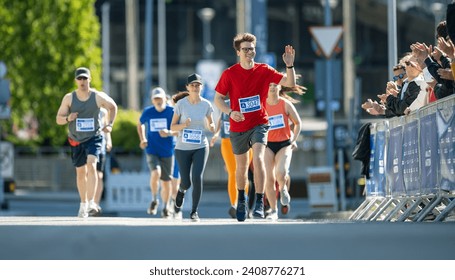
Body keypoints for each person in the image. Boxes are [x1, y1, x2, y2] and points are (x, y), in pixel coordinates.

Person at [214, 32, 296, 221]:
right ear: (238, 52)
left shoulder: (264, 70)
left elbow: (290, 83)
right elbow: (218, 99)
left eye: (252, 49)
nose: (249, 52)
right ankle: (241, 199)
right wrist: (229, 111)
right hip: (238, 125)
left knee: (258, 159)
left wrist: (289, 65)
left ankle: (259, 202)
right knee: (241, 168)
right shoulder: (230, 73)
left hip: (260, 123)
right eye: (245, 49)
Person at [56, 67, 117, 218]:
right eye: (79, 78)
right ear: (76, 81)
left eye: (85, 78)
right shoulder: (69, 98)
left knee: (92, 165)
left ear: (89, 80)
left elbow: (113, 107)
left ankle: (91, 202)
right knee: (80, 172)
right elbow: (58, 119)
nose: (82, 81)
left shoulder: (97, 96)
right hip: (75, 139)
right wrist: (68, 118)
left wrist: (110, 124)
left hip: (93, 137)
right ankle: (83, 203)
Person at [171, 74, 215, 221]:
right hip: (182, 148)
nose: (195, 88)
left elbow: (211, 123)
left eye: (198, 85)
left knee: (197, 177)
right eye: (193, 85)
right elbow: (172, 127)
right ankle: (181, 190)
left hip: (201, 146)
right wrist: (184, 125)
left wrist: (212, 126)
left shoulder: (206, 105)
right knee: (186, 181)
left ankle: (194, 211)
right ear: (187, 87)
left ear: (201, 87)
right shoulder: (181, 104)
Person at [264, 83, 303, 220]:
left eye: (275, 85)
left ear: (280, 87)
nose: (272, 87)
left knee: (281, 172)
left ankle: (283, 188)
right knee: (269, 178)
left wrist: (294, 140)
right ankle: (273, 211)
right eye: (270, 85)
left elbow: (298, 123)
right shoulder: (261, 104)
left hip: (284, 144)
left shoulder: (285, 104)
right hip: (267, 145)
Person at [137, 87, 177, 219]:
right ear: (152, 100)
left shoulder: (172, 111)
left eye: (160, 98)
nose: (158, 101)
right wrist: (143, 139)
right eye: (155, 99)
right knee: (156, 173)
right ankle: (154, 199)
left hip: (167, 150)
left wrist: (169, 132)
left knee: (166, 182)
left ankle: (166, 207)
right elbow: (140, 124)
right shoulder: (148, 112)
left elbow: (181, 129)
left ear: (165, 98)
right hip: (152, 149)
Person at [210, 99, 253, 219]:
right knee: (232, 172)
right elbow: (221, 118)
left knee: (242, 172)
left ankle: (243, 204)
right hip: (227, 141)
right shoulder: (225, 102)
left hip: (243, 140)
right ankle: (235, 204)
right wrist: (216, 134)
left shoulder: (246, 102)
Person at [93, 107, 113, 215]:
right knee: (89, 174)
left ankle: (96, 204)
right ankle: (87, 202)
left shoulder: (103, 112)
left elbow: (106, 127)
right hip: (89, 145)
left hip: (101, 146)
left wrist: (109, 140)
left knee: (99, 176)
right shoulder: (87, 108)